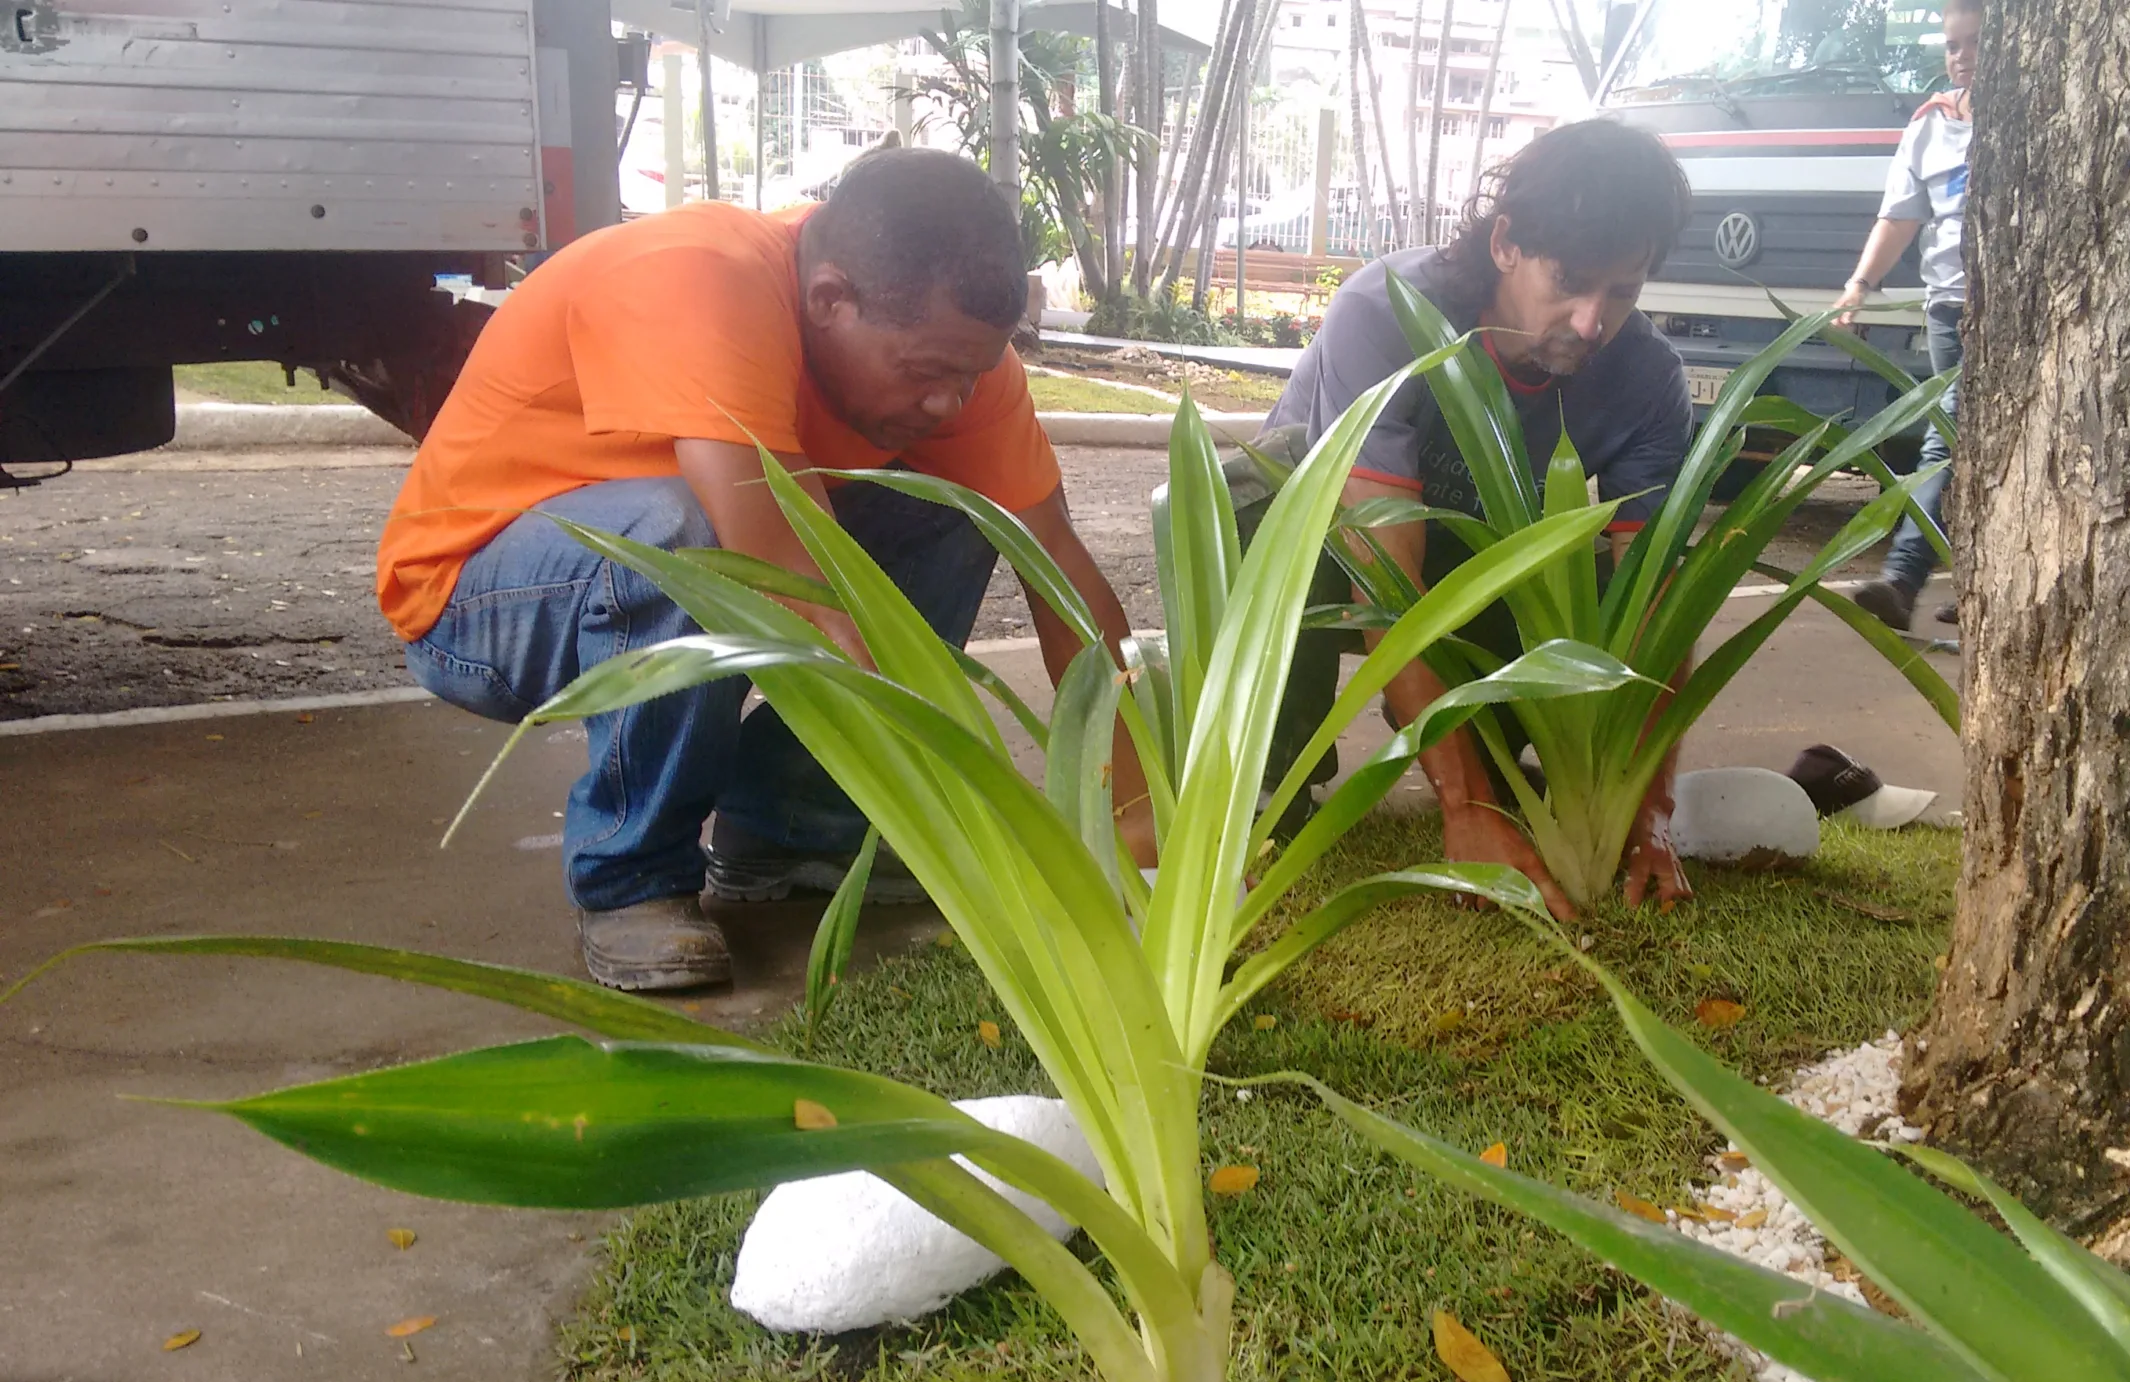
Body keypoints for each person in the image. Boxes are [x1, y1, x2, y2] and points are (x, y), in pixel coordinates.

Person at [375, 148, 1145, 992]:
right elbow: (789, 577)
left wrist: (1139, 826)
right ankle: (631, 877)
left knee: (961, 509)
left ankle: (797, 825)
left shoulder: (959, 362)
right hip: (480, 596)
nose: (948, 404)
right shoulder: (701, 276)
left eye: (969, 376)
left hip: (688, 547)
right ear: (829, 299)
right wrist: (958, 801)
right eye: (925, 374)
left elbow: (1058, 572)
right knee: (687, 538)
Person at [1250, 119, 1697, 918]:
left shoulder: (1646, 379)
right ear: (1505, 245)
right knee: (1252, 504)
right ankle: (1269, 767)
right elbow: (1378, 574)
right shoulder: (1386, 314)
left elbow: (1654, 601)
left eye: (1622, 292)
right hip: (1327, 555)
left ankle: (1490, 747)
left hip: (1482, 563)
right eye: (1571, 281)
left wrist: (1649, 810)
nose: (1593, 322)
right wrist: (1467, 809)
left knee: (1591, 576)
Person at [1837, 0, 1981, 632]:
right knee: (1951, 439)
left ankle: (1915, 577)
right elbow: (1901, 216)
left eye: (1974, 42)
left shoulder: (2037, 116)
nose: (1961, 57)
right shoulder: (1931, 124)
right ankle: (1913, 580)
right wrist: (1860, 284)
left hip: (2023, 313)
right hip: (1952, 309)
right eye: (1952, 45)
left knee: (1982, 441)